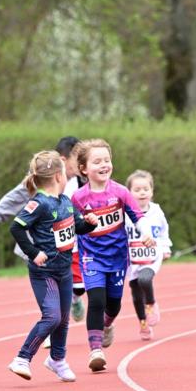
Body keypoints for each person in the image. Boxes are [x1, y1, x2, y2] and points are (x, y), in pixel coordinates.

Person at [7, 151, 97, 381]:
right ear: (59, 176)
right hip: (43, 272)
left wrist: (89, 224)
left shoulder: (65, 202)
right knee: (52, 316)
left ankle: (57, 359)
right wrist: (33, 252)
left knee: (64, 318)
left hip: (64, 270)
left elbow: (77, 227)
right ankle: (22, 357)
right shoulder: (39, 203)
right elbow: (16, 227)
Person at [0, 136, 86, 322]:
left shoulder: (82, 182)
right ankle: (52, 323)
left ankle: (74, 300)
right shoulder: (41, 181)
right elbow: (15, 197)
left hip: (72, 243)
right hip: (44, 246)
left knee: (77, 287)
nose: (80, 163)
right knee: (50, 287)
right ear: (63, 159)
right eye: (77, 158)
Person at [72, 139, 154, 371]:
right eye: (97, 161)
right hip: (92, 257)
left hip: (117, 257)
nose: (104, 165)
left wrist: (145, 232)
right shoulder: (78, 198)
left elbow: (139, 216)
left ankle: (107, 325)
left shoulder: (121, 192)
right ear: (84, 169)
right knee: (96, 300)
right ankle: (95, 350)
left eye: (107, 160)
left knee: (114, 305)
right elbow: (70, 224)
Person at [125, 169, 172, 341]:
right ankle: (143, 323)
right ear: (129, 193)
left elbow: (164, 231)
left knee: (145, 279)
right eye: (137, 190)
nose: (142, 192)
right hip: (132, 258)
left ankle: (151, 303)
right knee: (136, 293)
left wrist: (166, 246)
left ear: (152, 191)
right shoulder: (125, 213)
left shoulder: (156, 212)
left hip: (152, 256)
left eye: (145, 189)